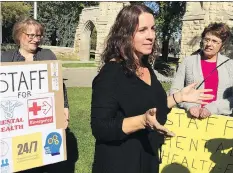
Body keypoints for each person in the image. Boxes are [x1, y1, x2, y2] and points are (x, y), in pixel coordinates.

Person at [90, 4, 213, 173]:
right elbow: (100, 127)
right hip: (120, 163)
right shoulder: (111, 74)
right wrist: (141, 121)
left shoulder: (146, 68)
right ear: (124, 34)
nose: (151, 36)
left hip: (147, 159)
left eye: (153, 29)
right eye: (142, 30)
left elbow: (153, 108)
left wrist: (178, 97)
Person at [1, 17, 70, 173]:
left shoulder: (48, 55)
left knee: (45, 159)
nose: (35, 39)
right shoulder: (5, 58)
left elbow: (58, 85)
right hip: (16, 122)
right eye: (30, 35)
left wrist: (64, 107)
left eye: (38, 35)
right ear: (19, 35)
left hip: (42, 119)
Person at [170, 22, 233, 119]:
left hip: (220, 121)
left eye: (214, 41)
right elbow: (174, 91)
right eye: (206, 39)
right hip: (191, 119)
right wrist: (189, 106)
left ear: (222, 45)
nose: (209, 44)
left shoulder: (230, 65)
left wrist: (213, 108)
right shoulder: (188, 62)